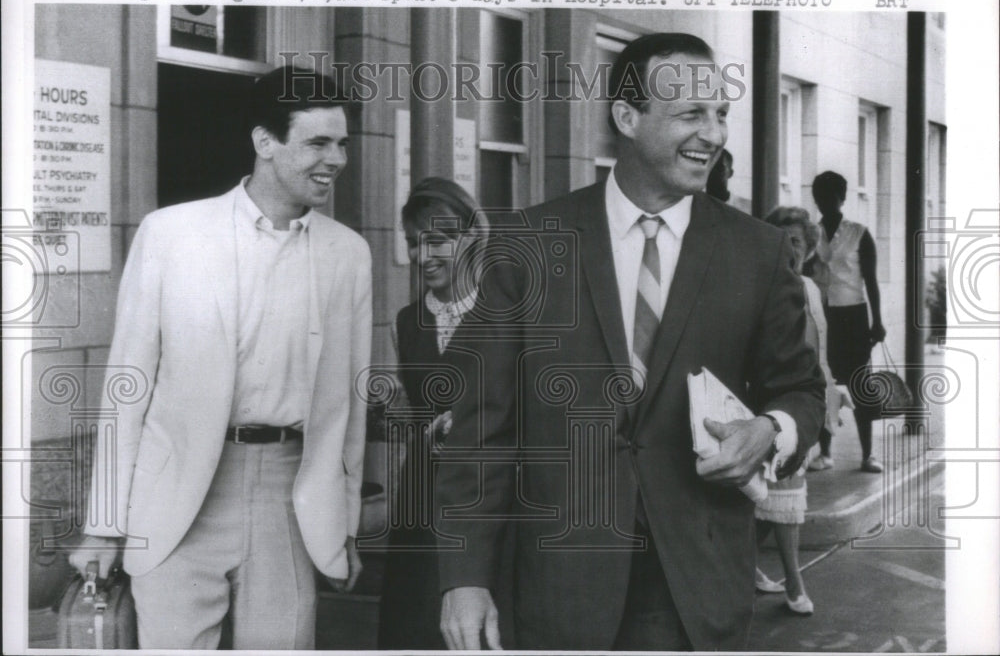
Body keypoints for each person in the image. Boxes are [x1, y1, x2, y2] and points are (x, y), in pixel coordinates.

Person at [435, 33, 826, 650]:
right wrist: (464, 577)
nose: (715, 134)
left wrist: (773, 429)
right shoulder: (532, 243)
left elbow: (801, 389)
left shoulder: (757, 252)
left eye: (721, 114)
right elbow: (481, 429)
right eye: (691, 114)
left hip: (695, 586)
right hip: (558, 583)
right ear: (627, 117)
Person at [69, 66, 372, 649]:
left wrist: (346, 525)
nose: (335, 158)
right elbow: (125, 389)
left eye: (342, 144)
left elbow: (349, 411)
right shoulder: (170, 234)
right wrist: (104, 526)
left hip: (291, 496)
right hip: (179, 498)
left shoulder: (348, 255)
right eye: (317, 142)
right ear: (265, 142)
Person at [377, 177, 489, 649]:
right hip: (421, 509)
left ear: (471, 237)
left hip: (489, 506)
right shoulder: (408, 320)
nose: (424, 257)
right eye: (412, 244)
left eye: (437, 240)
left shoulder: (507, 313)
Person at [755, 206, 845, 616]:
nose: (789, 248)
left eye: (797, 241)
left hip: (804, 403)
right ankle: (794, 581)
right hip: (766, 405)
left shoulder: (809, 287)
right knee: (783, 493)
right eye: (781, 240)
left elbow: (817, 349)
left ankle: (745, 565)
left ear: (808, 249)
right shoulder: (757, 285)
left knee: (766, 498)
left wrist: (831, 392)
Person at [809, 171, 887, 473]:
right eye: (820, 195)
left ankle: (869, 454)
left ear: (842, 197)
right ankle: (825, 453)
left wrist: (877, 321)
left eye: (830, 195)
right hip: (822, 316)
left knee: (859, 383)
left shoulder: (859, 233)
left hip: (853, 316)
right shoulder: (812, 233)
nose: (825, 201)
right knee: (824, 382)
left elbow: (871, 280)